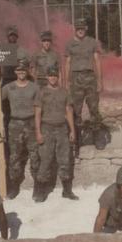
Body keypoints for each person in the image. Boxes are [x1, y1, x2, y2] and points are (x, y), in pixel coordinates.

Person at [34, 65, 77, 202]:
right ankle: (41, 192)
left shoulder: (64, 92)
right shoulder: (41, 92)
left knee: (65, 160)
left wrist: (72, 130)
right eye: (50, 76)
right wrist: (38, 132)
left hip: (62, 129)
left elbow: (69, 111)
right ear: (47, 77)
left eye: (55, 76)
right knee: (45, 160)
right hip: (47, 129)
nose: (53, 78)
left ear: (58, 77)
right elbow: (37, 114)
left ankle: (67, 190)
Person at [0, 59, 39, 199]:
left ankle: (38, 187)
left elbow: (39, 107)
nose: (21, 72)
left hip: (30, 123)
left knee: (35, 155)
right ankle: (14, 185)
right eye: (19, 70)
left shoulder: (34, 87)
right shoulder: (9, 87)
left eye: (23, 70)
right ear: (15, 72)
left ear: (27, 71)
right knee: (14, 156)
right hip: (15, 124)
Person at [65, 18, 103, 147]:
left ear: (86, 28)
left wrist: (99, 81)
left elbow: (97, 61)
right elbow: (67, 63)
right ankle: (77, 139)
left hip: (90, 77)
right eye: (78, 28)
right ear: (75, 29)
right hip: (76, 79)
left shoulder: (92, 42)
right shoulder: (69, 44)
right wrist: (66, 82)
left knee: (94, 108)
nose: (80, 30)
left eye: (82, 28)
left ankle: (97, 136)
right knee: (76, 110)